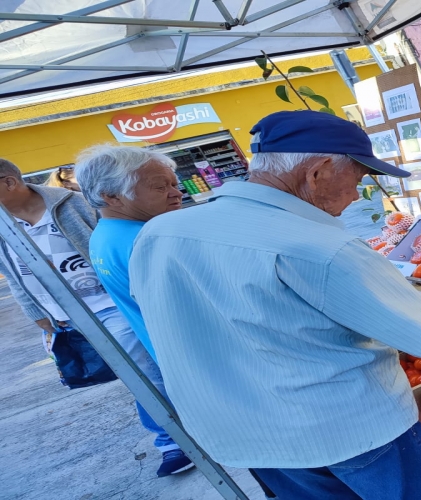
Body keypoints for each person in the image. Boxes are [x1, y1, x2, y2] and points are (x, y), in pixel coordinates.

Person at [129, 110, 421, 499]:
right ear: (317, 172)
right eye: (357, 180)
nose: (357, 196)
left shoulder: (161, 233)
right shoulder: (318, 246)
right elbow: (417, 328)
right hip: (346, 431)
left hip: (245, 436)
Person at [75, 145, 278, 498]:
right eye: (159, 186)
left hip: (191, 368)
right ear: (111, 196)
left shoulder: (105, 236)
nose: (176, 192)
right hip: (222, 370)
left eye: (173, 183)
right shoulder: (148, 241)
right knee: (281, 459)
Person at [0, 157, 193, 478]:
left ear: (8, 182)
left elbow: (107, 241)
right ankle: (179, 433)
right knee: (139, 374)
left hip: (110, 303)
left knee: (145, 374)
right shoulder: (3, 225)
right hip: (66, 316)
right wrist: (37, 313)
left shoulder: (68, 204)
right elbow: (12, 273)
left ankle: (171, 441)